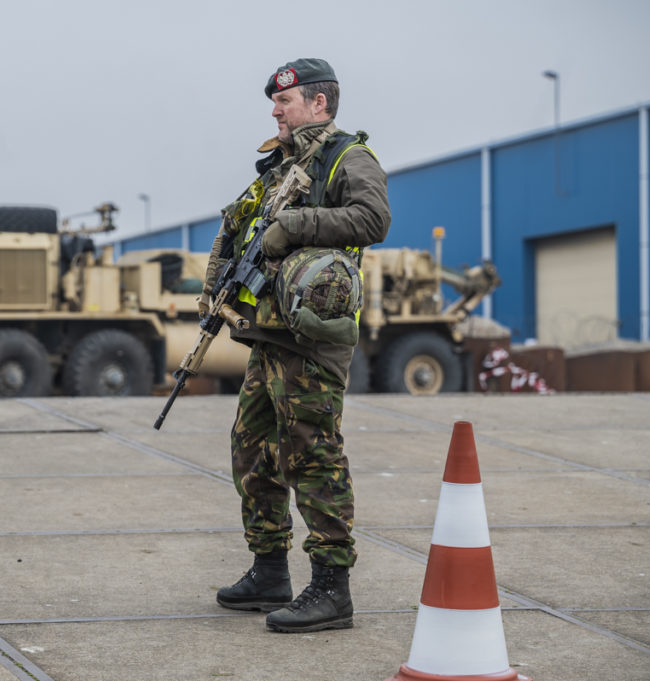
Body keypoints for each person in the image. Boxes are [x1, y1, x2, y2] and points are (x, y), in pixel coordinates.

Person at [204, 58, 390, 633]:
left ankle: (332, 589)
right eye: (275, 103)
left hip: (313, 338)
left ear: (320, 105)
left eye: (285, 102)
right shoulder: (279, 169)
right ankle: (269, 571)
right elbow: (245, 227)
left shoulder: (346, 159)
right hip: (270, 334)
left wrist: (296, 226)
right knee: (252, 450)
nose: (276, 111)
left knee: (312, 453)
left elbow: (372, 218)